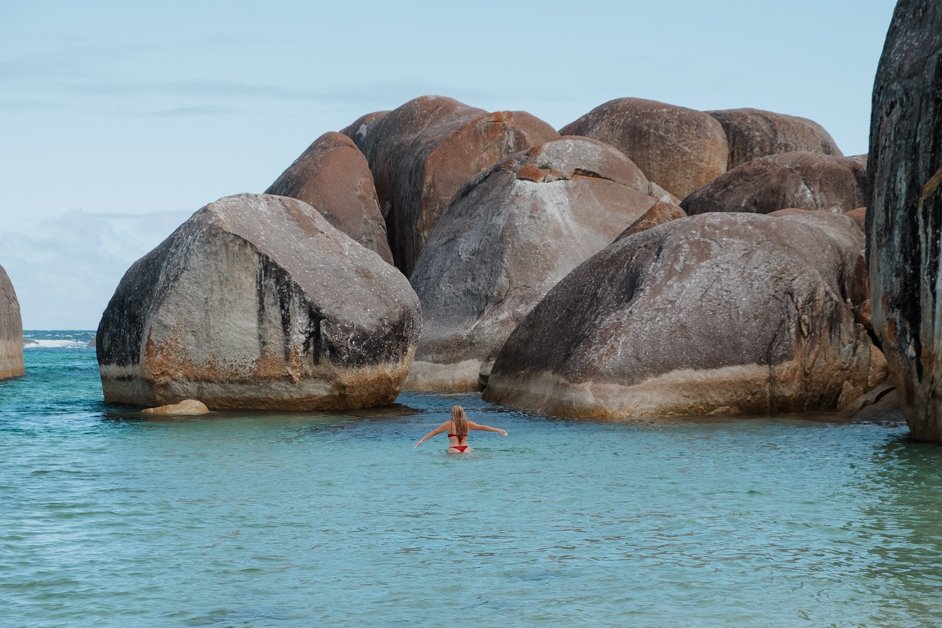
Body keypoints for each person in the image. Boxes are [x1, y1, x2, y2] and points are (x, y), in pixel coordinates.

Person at [414, 405, 507, 453]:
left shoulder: (448, 424)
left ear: (453, 413)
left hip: (453, 449)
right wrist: (499, 430)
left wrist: (422, 440)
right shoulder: (468, 423)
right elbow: (483, 427)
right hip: (466, 448)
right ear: (463, 413)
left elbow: (434, 432)